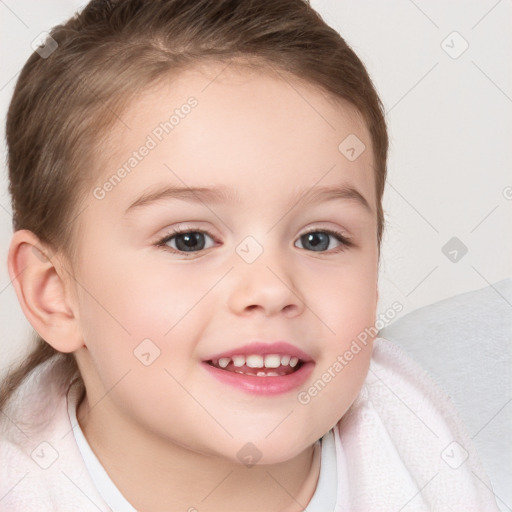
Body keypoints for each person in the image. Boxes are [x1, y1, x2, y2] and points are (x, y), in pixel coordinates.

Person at [0, 1, 499, 510]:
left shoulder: (445, 449)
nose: (271, 288)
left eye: (318, 238)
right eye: (189, 239)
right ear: (55, 295)